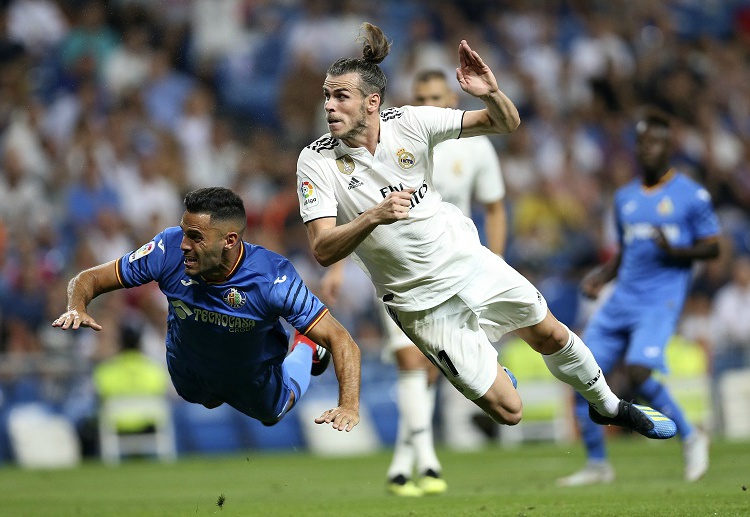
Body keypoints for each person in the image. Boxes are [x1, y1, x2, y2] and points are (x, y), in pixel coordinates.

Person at [296, 20, 676, 480]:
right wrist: (373, 216)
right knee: (508, 411)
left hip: (467, 261)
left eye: (341, 96)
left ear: (372, 103)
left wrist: (490, 91)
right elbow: (321, 248)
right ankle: (489, 365)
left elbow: (505, 122)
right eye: (327, 96)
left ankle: (610, 406)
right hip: (417, 302)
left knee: (551, 334)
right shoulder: (315, 159)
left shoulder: (412, 123)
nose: (330, 106)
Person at [319, 68, 508, 496]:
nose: (432, 102)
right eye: (423, 95)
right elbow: (354, 212)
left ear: (451, 99)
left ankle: (403, 461)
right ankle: (426, 461)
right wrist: (337, 267)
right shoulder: (395, 139)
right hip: (400, 276)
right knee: (411, 362)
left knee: (437, 369)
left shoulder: (473, 149)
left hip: (459, 267)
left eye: (439, 95)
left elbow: (494, 206)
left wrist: (494, 261)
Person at [53, 186, 361, 433]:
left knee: (272, 414)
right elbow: (89, 278)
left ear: (229, 240)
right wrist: (76, 305)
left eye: (196, 237)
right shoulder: (166, 250)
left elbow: (342, 339)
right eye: (184, 231)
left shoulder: (272, 278)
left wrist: (348, 405)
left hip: (248, 373)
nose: (184, 244)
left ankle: (306, 346)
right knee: (202, 398)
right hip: (189, 371)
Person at [557, 111, 720, 486]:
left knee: (638, 372)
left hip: (659, 301)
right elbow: (627, 250)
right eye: (642, 143)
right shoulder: (625, 197)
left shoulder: (691, 195)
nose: (647, 149)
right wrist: (602, 276)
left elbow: (713, 249)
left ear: (669, 147)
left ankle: (691, 436)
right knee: (581, 371)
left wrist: (677, 252)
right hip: (621, 299)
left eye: (655, 142)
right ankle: (598, 463)